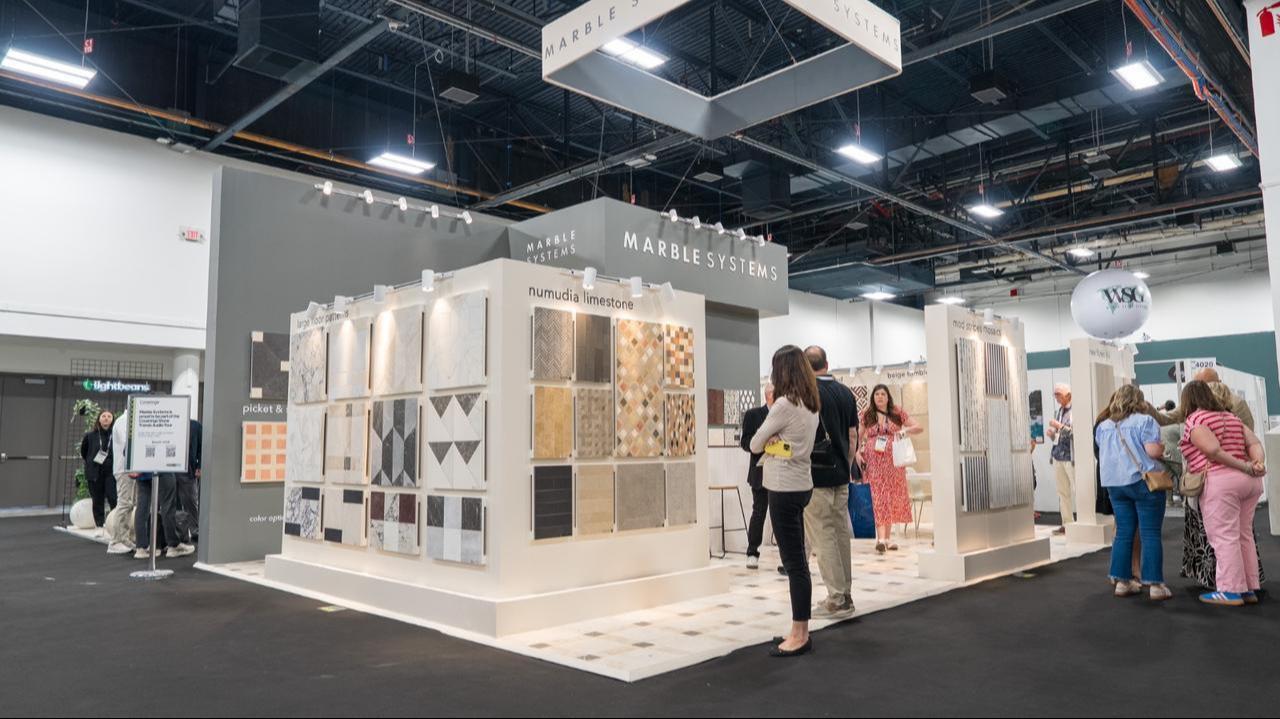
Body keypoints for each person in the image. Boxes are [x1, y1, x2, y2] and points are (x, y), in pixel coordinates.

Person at [749, 345, 820, 658]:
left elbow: (754, 444)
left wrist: (770, 443)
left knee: (794, 564)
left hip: (783, 487)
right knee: (798, 562)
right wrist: (775, 442)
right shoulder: (810, 403)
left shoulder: (783, 405)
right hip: (802, 484)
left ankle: (799, 633)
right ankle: (798, 628)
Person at [1177, 381, 1267, 607]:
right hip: (1250, 484)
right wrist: (1256, 463)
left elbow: (1213, 451)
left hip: (1221, 483)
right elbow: (1254, 442)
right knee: (1243, 534)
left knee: (1224, 537)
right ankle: (1249, 587)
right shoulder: (1231, 417)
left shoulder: (1196, 420)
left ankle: (1230, 591)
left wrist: (1243, 466)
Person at [1094, 385, 1171, 601]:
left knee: (1124, 532)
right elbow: (1152, 451)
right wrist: (1162, 448)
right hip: (1143, 481)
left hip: (1115, 485)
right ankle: (1155, 585)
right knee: (1150, 533)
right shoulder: (1145, 421)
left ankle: (1121, 582)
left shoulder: (1104, 426)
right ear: (1140, 401)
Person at [803, 346, 858, 617]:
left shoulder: (807, 393)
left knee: (822, 536)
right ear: (827, 363)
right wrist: (846, 467)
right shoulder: (845, 392)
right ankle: (845, 593)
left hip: (816, 474)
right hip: (840, 475)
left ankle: (836, 598)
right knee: (839, 535)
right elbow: (853, 436)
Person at [855, 384, 920, 553]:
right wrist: (857, 455)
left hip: (893, 462)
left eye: (883, 394)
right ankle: (881, 538)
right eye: (877, 394)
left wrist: (903, 432)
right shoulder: (866, 415)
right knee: (878, 497)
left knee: (889, 496)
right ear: (873, 397)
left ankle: (887, 539)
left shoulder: (897, 412)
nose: (880, 397)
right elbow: (857, 437)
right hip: (873, 463)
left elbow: (918, 427)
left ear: (888, 396)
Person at [739, 386, 773, 570]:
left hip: (781, 471)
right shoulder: (754, 415)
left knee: (782, 515)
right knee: (759, 511)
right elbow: (745, 442)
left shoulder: (785, 415)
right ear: (768, 396)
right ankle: (752, 552)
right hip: (760, 471)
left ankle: (787, 556)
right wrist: (761, 444)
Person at [104, 408, 136, 555]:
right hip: (124, 469)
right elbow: (127, 444)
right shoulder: (124, 421)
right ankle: (115, 541)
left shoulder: (128, 421)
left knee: (129, 504)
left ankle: (124, 538)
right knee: (124, 504)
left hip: (129, 469)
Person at [78, 410, 117, 529]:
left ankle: (114, 525)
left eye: (109, 416)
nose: (106, 418)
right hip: (95, 472)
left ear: (113, 419)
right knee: (97, 500)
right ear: (99, 419)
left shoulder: (116, 435)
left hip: (111, 472)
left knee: (113, 498)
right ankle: (99, 526)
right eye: (103, 416)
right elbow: (84, 452)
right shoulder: (90, 435)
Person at [1045, 384, 1074, 535]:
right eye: (1055, 395)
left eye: (1059, 395)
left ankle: (1082, 522)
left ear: (1068, 395)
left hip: (1071, 457)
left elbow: (1074, 433)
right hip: (1058, 455)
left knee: (1077, 490)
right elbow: (1059, 435)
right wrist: (1052, 434)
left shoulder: (1074, 411)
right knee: (1062, 492)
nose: (1057, 398)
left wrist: (1059, 426)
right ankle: (1067, 523)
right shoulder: (1060, 411)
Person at [174, 419, 203, 545]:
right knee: (172, 503)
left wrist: (199, 466)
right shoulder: (170, 423)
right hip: (169, 470)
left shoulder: (196, 425)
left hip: (188, 470)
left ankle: (195, 531)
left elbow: (202, 447)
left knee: (191, 502)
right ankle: (178, 534)